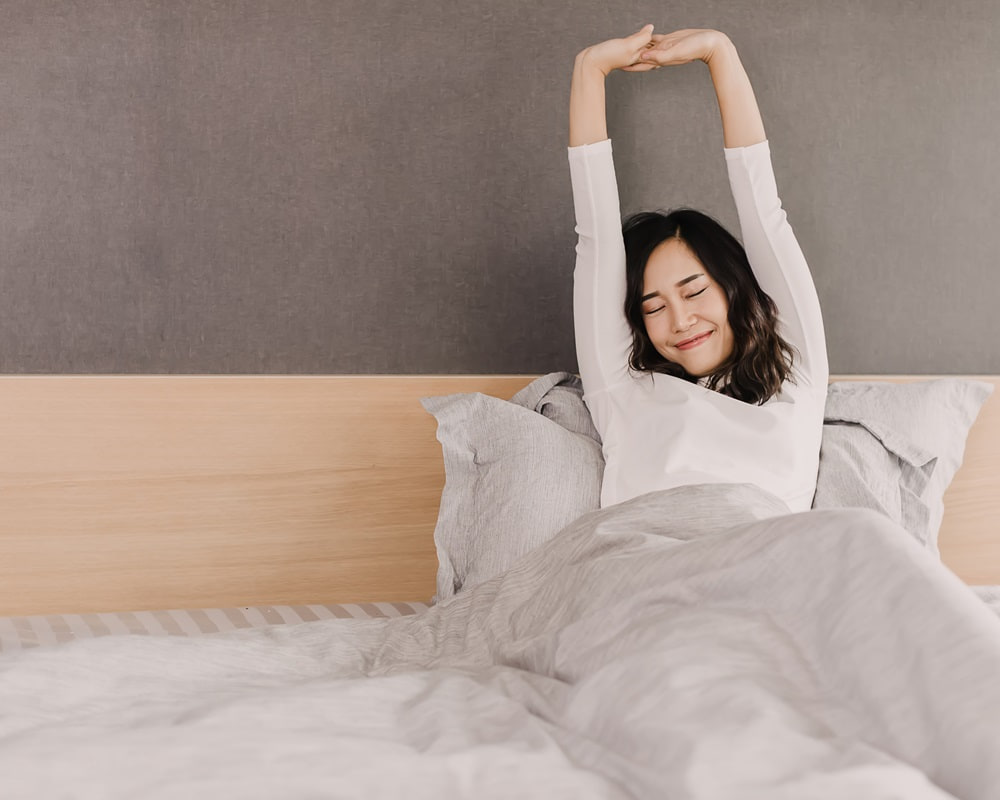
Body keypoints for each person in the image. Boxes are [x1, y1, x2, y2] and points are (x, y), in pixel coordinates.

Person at [569, 25, 828, 512]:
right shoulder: (623, 392)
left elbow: (765, 213)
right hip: (654, 572)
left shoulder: (797, 378)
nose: (680, 320)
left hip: (779, 574)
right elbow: (596, 238)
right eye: (654, 306)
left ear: (733, 288)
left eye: (693, 292)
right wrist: (589, 70)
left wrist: (720, 53)